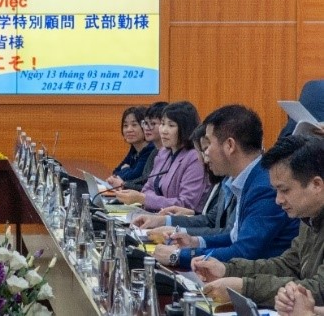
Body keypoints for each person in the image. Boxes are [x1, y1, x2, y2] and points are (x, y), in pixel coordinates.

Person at [191, 136, 323, 307]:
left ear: (316, 185)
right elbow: (287, 265)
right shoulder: (309, 218)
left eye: (284, 190)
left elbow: (319, 289)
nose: (278, 200)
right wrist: (227, 269)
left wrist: (245, 287)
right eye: (276, 191)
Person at [163, 105, 299, 269]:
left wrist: (178, 256)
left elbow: (245, 252)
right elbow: (235, 237)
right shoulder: (250, 177)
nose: (206, 154)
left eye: (209, 144)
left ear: (230, 146)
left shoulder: (264, 185)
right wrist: (195, 241)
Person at [133, 124, 236, 245]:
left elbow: (229, 235)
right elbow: (211, 220)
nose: (205, 158)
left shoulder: (238, 183)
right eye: (203, 151)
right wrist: (164, 220)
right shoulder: (226, 180)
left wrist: (179, 238)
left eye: (205, 150)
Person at [114, 101, 209, 212]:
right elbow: (147, 188)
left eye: (171, 125)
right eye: (163, 124)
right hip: (155, 215)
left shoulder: (194, 158)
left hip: (179, 221)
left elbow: (185, 204)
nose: (163, 131)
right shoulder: (163, 153)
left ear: (185, 128)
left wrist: (144, 199)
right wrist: (147, 199)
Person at [105, 106, 154, 189]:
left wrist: (125, 169)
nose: (129, 130)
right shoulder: (134, 149)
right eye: (125, 125)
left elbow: (134, 177)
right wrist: (127, 170)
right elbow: (115, 173)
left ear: (145, 126)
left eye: (134, 125)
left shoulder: (151, 149)